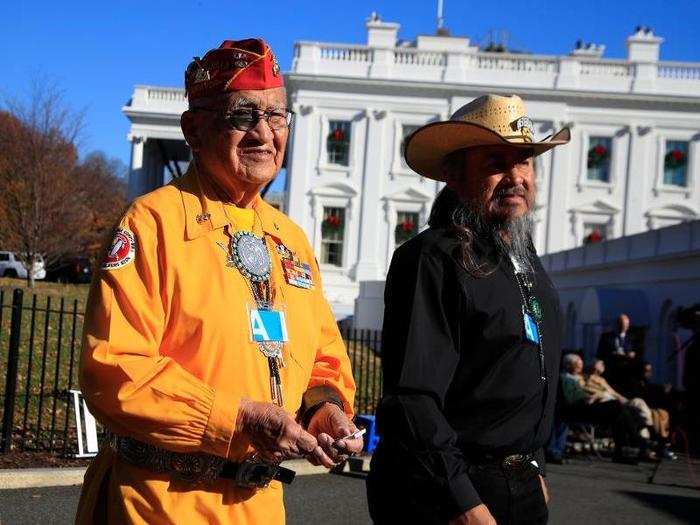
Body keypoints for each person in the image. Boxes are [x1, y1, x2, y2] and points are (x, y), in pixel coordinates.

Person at [75, 39, 362, 525]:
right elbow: (113, 371)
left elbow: (323, 361)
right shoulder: (151, 223)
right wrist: (240, 418)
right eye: (243, 115)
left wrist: (325, 411)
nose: (264, 133)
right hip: (158, 503)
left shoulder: (290, 239)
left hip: (260, 507)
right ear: (194, 128)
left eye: (277, 116)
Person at [367, 94, 571, 525]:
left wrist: (535, 466)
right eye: (497, 162)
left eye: (526, 161)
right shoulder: (431, 259)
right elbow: (413, 398)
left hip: (517, 485)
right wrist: (460, 499)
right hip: (447, 493)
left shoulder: (523, 258)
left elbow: (531, 374)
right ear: (455, 175)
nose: (517, 177)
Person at [559, 354, 648, 462]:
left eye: (581, 363)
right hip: (581, 409)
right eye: (577, 363)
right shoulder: (565, 378)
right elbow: (570, 398)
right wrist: (589, 397)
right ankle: (637, 442)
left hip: (589, 406)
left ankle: (621, 452)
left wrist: (591, 397)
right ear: (569, 365)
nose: (580, 365)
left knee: (619, 414)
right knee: (617, 406)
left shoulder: (576, 377)